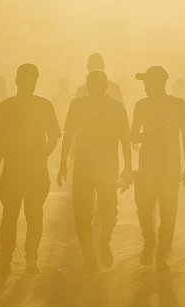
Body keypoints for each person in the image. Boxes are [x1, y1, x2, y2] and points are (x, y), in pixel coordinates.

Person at [58, 70, 132, 271]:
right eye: (92, 83)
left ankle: (103, 242)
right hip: (86, 169)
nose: (94, 87)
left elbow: (126, 138)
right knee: (84, 215)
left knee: (107, 213)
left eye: (97, 83)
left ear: (103, 86)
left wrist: (128, 167)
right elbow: (68, 135)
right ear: (89, 86)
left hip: (103, 170)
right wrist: (63, 163)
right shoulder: (79, 106)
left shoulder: (115, 108)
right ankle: (90, 256)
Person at [0, 64, 61, 275]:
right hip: (12, 170)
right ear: (17, 81)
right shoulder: (6, 107)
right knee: (9, 216)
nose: (29, 85)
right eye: (25, 80)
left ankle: (31, 258)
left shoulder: (44, 106)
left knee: (34, 216)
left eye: (33, 81)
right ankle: (6, 255)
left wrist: (42, 157)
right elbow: (1, 139)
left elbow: (54, 135)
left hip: (35, 172)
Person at [132, 66, 185, 271]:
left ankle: (162, 252)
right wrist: (153, 134)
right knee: (144, 207)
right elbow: (133, 135)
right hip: (151, 165)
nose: (144, 87)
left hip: (168, 167)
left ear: (159, 83)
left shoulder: (178, 105)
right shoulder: (142, 106)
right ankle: (150, 242)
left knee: (167, 211)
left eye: (147, 83)